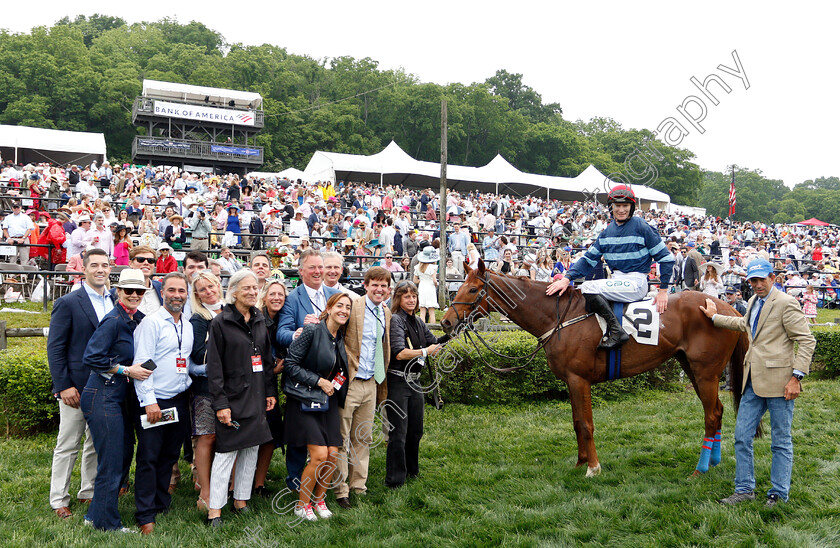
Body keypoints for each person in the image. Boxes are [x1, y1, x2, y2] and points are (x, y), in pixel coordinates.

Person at [700, 258, 815, 507]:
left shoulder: (786, 303)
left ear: (773, 278)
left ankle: (778, 493)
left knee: (780, 442)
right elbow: (744, 325)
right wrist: (715, 317)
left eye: (762, 279)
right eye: (753, 280)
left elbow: (807, 340)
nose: (758, 284)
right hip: (752, 382)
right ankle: (744, 489)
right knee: (741, 437)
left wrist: (796, 378)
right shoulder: (754, 301)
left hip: (781, 384)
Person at [546, 186, 674, 349]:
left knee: (587, 286)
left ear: (631, 207)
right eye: (617, 205)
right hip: (617, 282)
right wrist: (566, 278)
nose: (621, 210)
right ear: (611, 207)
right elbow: (588, 260)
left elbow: (666, 258)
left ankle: (617, 332)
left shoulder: (641, 226)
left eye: (625, 206)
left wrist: (663, 291)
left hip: (637, 282)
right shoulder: (606, 234)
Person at [80, 269, 152, 531]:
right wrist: (126, 370)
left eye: (139, 291)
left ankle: (93, 515)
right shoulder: (113, 321)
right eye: (128, 290)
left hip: (118, 397)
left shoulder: (137, 318)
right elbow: (91, 357)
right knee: (111, 461)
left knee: (119, 457)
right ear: (118, 291)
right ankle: (106, 524)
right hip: (103, 394)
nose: (134, 295)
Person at [205, 270, 277, 527]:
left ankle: (241, 500)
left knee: (252, 449)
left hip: (257, 396)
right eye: (246, 288)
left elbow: (266, 361)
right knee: (225, 454)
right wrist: (221, 404)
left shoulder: (259, 320)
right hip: (233, 399)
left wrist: (270, 392)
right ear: (233, 291)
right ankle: (215, 510)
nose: (251, 291)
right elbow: (213, 368)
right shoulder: (220, 322)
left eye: (255, 288)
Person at [46, 248, 111, 519]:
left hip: (106, 385)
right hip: (75, 386)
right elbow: (55, 347)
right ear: (83, 269)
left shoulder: (115, 300)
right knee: (68, 444)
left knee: (95, 443)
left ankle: (88, 491)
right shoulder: (70, 302)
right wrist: (63, 385)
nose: (100, 269)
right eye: (94, 265)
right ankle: (58, 498)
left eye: (104, 265)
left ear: (110, 269)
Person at [132, 273, 196, 534]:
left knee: (169, 456)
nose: (177, 295)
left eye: (182, 290)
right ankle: (145, 513)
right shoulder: (152, 323)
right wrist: (149, 402)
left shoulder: (188, 325)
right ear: (162, 293)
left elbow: (185, 361)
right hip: (156, 401)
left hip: (180, 400)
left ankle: (161, 502)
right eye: (172, 290)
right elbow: (142, 364)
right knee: (149, 456)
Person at [283, 292, 352, 520]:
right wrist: (318, 381)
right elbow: (290, 365)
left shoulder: (338, 337)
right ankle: (302, 506)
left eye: (348, 308)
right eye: (340, 306)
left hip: (327, 402)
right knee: (320, 455)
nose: (344, 310)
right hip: (305, 400)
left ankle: (319, 500)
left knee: (333, 454)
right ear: (329, 308)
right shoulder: (313, 331)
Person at [276, 249, 340, 492]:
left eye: (320, 267)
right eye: (311, 267)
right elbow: (281, 333)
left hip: (330, 376)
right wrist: (299, 332)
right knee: (299, 431)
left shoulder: (335, 295)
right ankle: (294, 480)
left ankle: (322, 481)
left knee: (324, 429)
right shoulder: (293, 298)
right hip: (302, 377)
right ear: (301, 271)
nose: (317, 271)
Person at [334, 267, 391, 509]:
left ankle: (359, 485)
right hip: (350, 382)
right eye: (375, 284)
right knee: (342, 438)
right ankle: (340, 489)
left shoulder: (385, 311)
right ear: (366, 285)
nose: (379, 289)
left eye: (384, 285)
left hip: (372, 383)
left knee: (363, 437)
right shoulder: (353, 306)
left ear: (388, 290)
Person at [386, 280, 448, 488]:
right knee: (399, 432)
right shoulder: (396, 320)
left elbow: (434, 342)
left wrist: (454, 332)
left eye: (413, 296)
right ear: (398, 299)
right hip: (398, 381)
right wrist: (425, 352)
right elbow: (400, 352)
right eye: (406, 296)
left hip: (415, 383)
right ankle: (395, 479)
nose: (411, 300)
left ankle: (412, 471)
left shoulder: (418, 322)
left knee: (415, 430)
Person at [188, 271, 225, 511]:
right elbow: (198, 354)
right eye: (202, 289)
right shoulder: (199, 319)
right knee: (206, 436)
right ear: (198, 295)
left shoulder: (233, 309)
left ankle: (229, 486)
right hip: (205, 387)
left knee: (228, 437)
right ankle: (206, 491)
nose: (208, 291)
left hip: (232, 386)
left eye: (211, 285)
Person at [253, 278, 288, 496]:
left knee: (271, 435)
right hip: (255, 385)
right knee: (254, 435)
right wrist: (272, 370)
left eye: (281, 295)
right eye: (272, 294)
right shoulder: (257, 320)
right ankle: (237, 484)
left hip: (271, 385)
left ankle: (259, 483)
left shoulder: (281, 321)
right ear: (264, 296)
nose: (276, 298)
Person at [129, 246, 163, 316]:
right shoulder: (118, 292)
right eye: (140, 259)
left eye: (150, 260)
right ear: (130, 263)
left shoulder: (161, 288)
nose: (146, 263)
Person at [414, 247, 439, 324]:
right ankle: (433, 327)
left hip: (422, 286)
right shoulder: (433, 267)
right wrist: (436, 284)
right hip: (430, 287)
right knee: (431, 311)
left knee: (422, 310)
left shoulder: (417, 267)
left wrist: (421, 280)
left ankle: (422, 327)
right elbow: (434, 280)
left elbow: (415, 280)